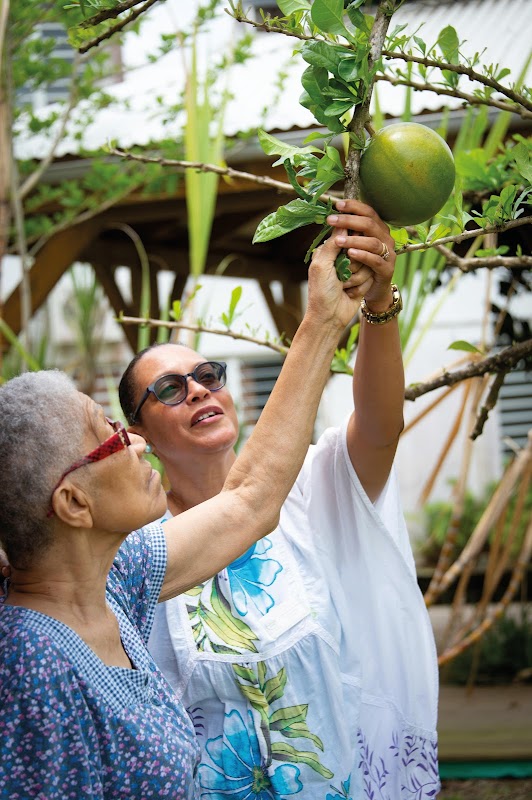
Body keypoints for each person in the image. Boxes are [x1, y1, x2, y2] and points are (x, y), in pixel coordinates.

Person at [0, 227, 359, 800]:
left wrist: (323, 321)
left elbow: (250, 501)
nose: (136, 445)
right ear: (73, 503)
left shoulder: (114, 580)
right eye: (112, 437)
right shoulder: (32, 665)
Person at [118, 200, 440, 800]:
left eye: (208, 375)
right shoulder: (140, 545)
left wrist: (378, 306)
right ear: (138, 436)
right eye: (169, 389)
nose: (196, 390)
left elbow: (378, 427)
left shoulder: (310, 489)